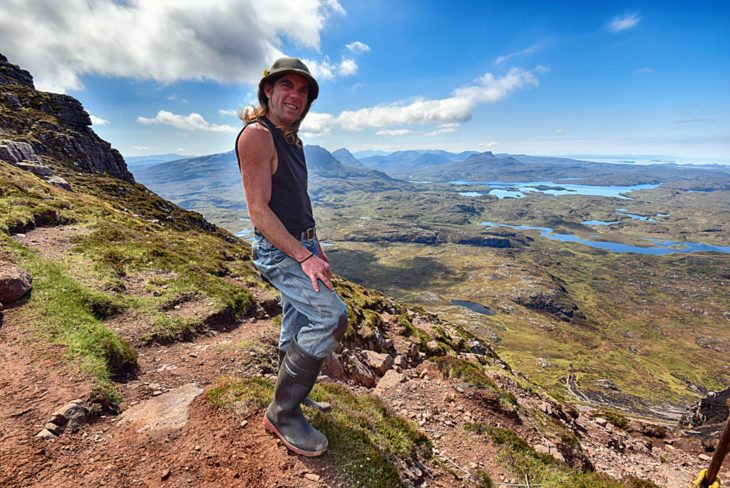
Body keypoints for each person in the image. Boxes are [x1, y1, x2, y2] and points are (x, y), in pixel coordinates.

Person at [235, 57, 349, 457]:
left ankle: (295, 398)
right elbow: (259, 211)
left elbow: (298, 202)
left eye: (303, 91)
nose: (296, 96)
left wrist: (317, 249)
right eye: (287, 85)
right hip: (279, 249)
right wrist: (303, 256)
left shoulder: (290, 139)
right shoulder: (257, 135)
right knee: (331, 316)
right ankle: (282, 413)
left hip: (301, 243)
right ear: (267, 90)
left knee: (297, 320)